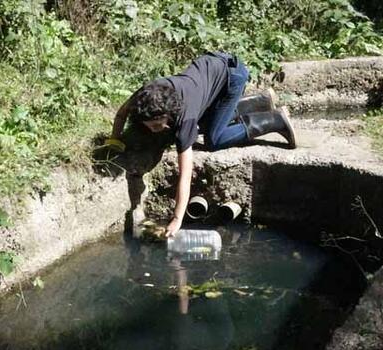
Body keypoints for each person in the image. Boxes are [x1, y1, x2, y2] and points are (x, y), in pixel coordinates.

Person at [110, 51, 296, 237]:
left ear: (169, 114)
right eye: (151, 126)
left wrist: (176, 218)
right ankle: (261, 102)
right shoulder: (146, 95)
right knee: (207, 122)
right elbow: (121, 114)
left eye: (159, 125)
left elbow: (185, 173)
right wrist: (114, 140)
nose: (155, 129)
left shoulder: (185, 118)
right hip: (210, 69)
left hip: (232, 76)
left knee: (214, 138)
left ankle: (275, 120)